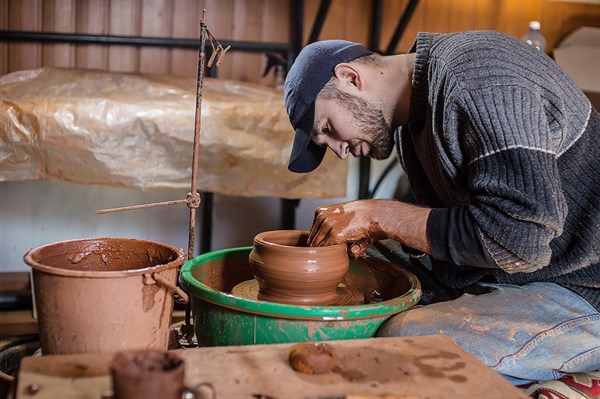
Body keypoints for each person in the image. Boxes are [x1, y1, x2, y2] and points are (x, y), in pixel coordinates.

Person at [283, 31, 599, 385]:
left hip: (583, 284)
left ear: (351, 78)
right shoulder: (410, 126)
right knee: (352, 270)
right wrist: (378, 238)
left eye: (327, 128)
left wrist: (380, 215)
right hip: (522, 271)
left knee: (404, 342)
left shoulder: (477, 76)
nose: (339, 151)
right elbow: (460, 238)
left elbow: (520, 239)